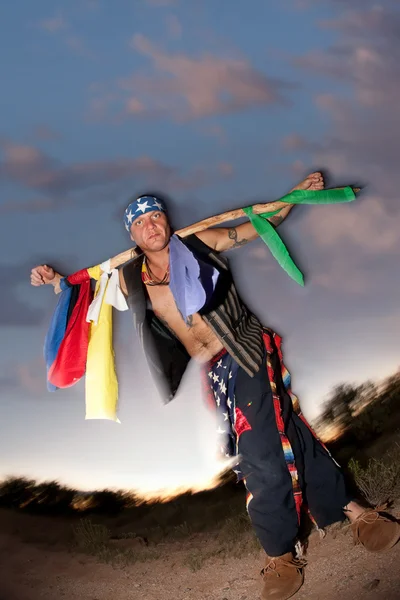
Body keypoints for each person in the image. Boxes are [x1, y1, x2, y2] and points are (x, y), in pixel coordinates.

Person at [31, 173, 399, 600]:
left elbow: (266, 222)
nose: (151, 224)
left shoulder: (201, 243)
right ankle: (356, 513)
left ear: (166, 220)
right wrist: (55, 280)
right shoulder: (127, 280)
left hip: (247, 349)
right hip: (216, 372)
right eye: (140, 221)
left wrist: (297, 195)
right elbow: (81, 292)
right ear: (131, 233)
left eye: (156, 215)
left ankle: (278, 552)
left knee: (259, 450)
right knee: (284, 431)